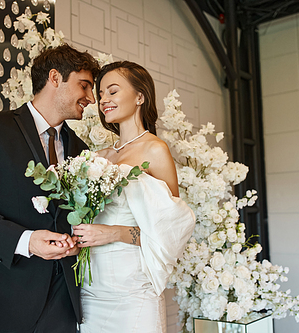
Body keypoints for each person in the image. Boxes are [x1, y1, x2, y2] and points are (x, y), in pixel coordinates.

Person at [0, 44, 100, 333]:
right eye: (85, 85)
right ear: (55, 78)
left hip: (62, 301)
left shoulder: (82, 149)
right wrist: (26, 240)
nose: (90, 98)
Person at [72, 61, 196, 333]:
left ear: (140, 96)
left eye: (112, 91)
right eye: (101, 93)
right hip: (91, 288)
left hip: (132, 290)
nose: (104, 100)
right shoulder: (99, 156)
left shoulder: (155, 149)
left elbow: (171, 232)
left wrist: (114, 233)